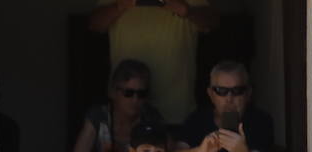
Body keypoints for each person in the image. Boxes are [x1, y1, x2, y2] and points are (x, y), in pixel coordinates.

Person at [90, 0, 218, 126]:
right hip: (125, 112)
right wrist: (121, 5)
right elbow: (95, 24)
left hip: (175, 110)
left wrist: (186, 11)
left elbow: (212, 22)